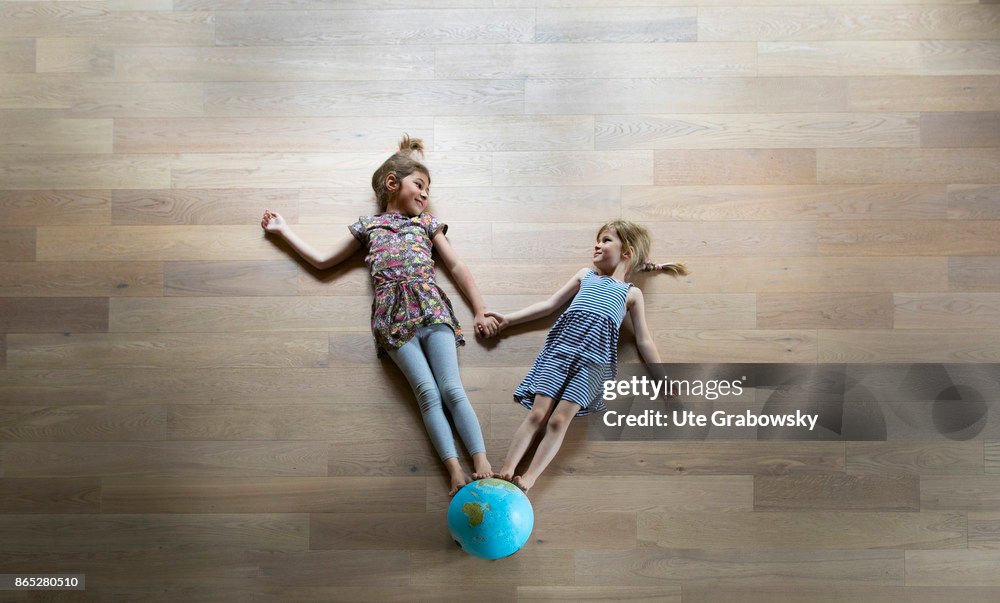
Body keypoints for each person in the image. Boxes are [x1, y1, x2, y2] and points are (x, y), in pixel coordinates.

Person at [261, 135, 498, 495]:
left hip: (432, 310)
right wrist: (283, 231)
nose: (424, 195)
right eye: (419, 185)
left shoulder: (427, 224)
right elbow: (323, 262)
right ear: (392, 183)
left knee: (451, 388)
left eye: (428, 190)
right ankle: (454, 471)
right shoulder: (367, 228)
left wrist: (480, 309)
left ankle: (481, 461)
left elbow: (456, 265)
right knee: (427, 394)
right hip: (392, 323)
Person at [485, 220, 688, 493]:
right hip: (561, 352)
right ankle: (506, 470)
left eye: (605, 240)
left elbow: (644, 340)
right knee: (538, 414)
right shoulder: (585, 276)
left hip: (593, 364)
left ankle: (529, 478)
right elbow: (549, 306)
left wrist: (662, 381)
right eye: (598, 240)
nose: (597, 244)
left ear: (626, 252)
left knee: (558, 421)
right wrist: (508, 320)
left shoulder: (631, 294)